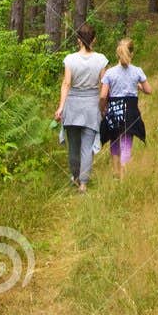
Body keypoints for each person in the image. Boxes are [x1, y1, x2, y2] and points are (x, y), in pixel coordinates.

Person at [55, 24, 107, 192]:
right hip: (91, 106)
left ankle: (75, 176)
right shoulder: (101, 59)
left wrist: (61, 107)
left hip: (73, 106)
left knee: (74, 146)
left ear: (78, 40)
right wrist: (103, 106)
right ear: (95, 39)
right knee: (87, 146)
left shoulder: (70, 59)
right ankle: (83, 183)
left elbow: (67, 83)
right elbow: (104, 85)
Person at [99, 38, 151, 179]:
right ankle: (124, 175)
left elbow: (103, 96)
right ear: (132, 54)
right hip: (130, 110)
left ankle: (116, 173)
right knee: (126, 141)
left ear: (117, 53)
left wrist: (102, 110)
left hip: (115, 110)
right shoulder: (137, 71)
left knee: (114, 139)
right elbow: (148, 90)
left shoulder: (110, 73)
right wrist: (138, 86)